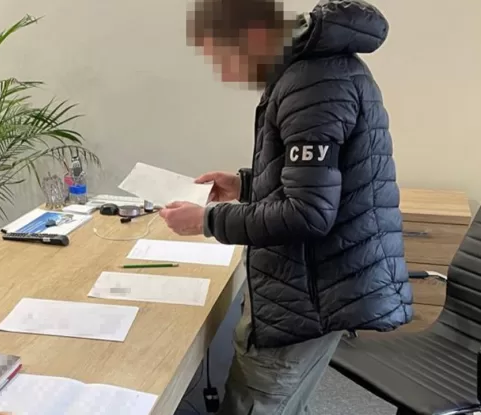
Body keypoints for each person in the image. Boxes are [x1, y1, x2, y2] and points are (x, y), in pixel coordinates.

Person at [159, 0, 413, 414]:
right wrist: (243, 184)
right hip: (319, 280)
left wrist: (207, 220)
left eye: (223, 57)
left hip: (311, 292)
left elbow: (306, 213)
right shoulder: (314, 71)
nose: (224, 72)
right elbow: (315, 181)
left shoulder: (312, 82)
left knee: (260, 399)